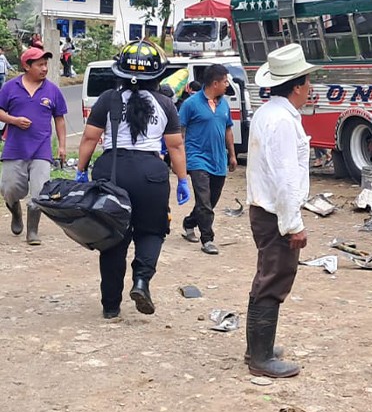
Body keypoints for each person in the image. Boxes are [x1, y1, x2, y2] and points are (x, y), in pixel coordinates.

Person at [76, 41, 191, 319]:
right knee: (151, 231)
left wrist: (80, 170)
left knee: (113, 238)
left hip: (112, 171)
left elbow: (90, 138)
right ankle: (141, 281)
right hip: (151, 174)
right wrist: (183, 180)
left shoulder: (107, 99)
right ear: (157, 76)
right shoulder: (165, 103)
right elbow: (175, 146)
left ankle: (111, 306)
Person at [245, 43, 319, 378]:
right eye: (307, 83)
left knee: (266, 275)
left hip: (263, 208)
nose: (310, 89)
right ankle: (260, 357)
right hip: (275, 212)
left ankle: (258, 347)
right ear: (298, 86)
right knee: (275, 278)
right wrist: (294, 225)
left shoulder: (267, 113)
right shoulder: (284, 121)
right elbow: (286, 180)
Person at [0, 47, 67, 245]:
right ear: (27, 66)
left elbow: (60, 120)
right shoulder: (10, 88)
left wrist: (62, 146)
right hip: (15, 147)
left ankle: (32, 231)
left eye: (46, 64)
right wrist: (14, 120)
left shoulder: (52, 90)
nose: (44, 68)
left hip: (41, 149)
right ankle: (16, 212)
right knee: (9, 189)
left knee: (40, 191)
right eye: (40, 65)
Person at [178, 64, 237, 255]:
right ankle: (208, 239)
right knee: (204, 201)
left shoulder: (224, 104)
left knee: (211, 201)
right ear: (215, 83)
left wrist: (232, 155)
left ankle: (189, 222)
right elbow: (180, 130)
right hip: (197, 159)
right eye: (225, 81)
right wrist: (179, 158)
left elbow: (228, 129)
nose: (227, 85)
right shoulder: (190, 104)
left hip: (218, 159)